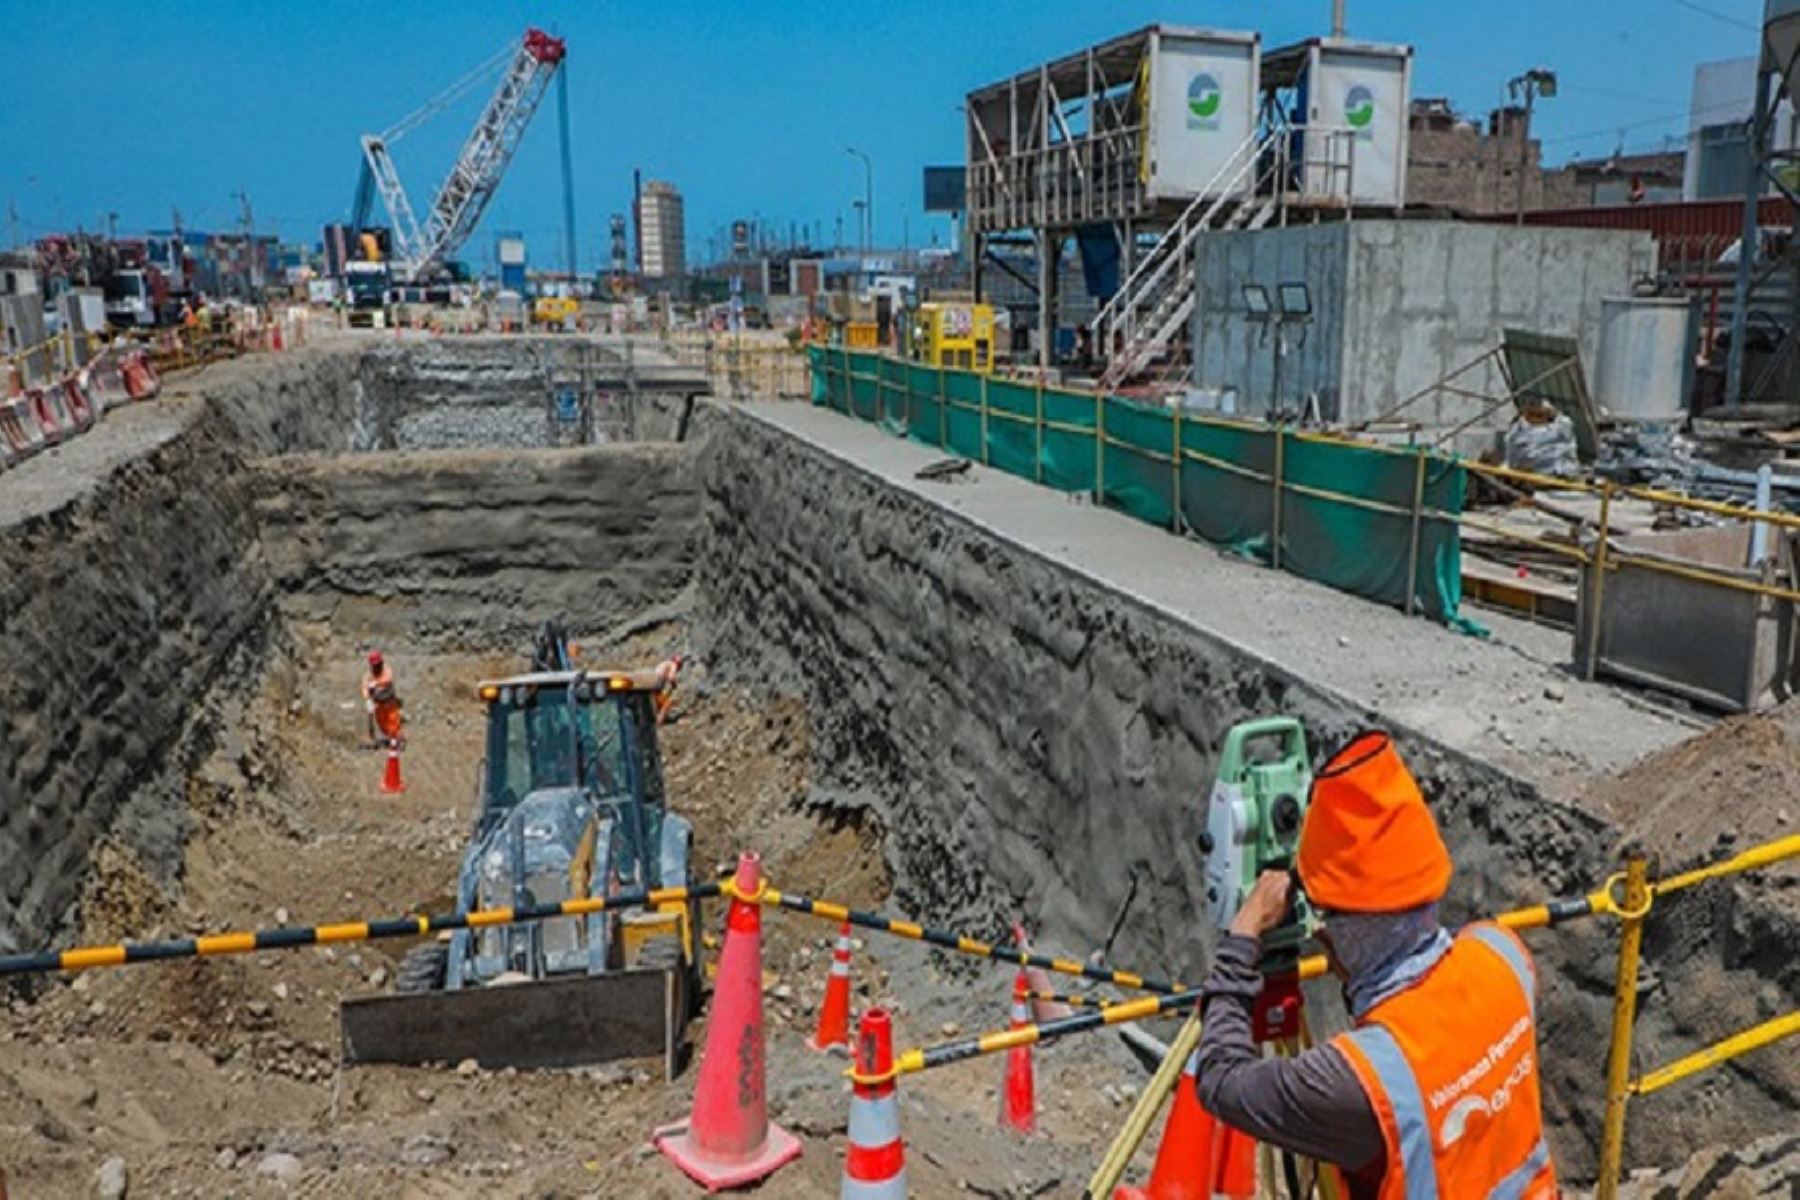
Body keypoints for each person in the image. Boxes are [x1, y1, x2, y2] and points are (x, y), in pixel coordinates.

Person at [1196, 730, 1555, 1200]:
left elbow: (1221, 1080)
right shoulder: (1503, 955)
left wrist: (1242, 937)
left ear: (1345, 929)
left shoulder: (1363, 1082)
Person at [362, 650, 403, 748]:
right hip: (378, 704)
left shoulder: (386, 670)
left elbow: (388, 679)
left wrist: (376, 684)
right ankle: (386, 738)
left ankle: (397, 740)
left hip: (389, 702)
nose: (377, 667)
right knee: (382, 724)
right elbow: (364, 688)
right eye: (375, 665)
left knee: (393, 722)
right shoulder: (368, 676)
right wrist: (368, 699)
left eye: (378, 664)